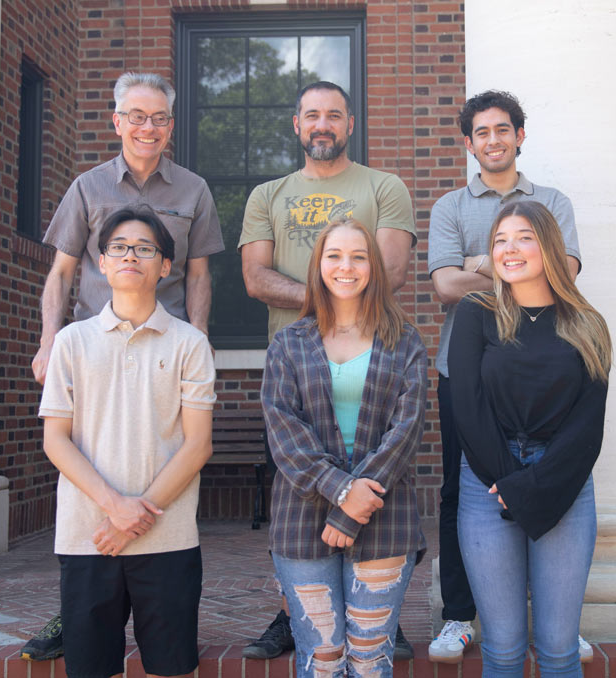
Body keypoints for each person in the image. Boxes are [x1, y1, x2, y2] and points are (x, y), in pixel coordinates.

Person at [22, 71, 224, 662]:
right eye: (135, 115)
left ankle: (137, 577)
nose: (147, 127)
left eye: (159, 117)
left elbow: (199, 277)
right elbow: (61, 273)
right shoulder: (87, 188)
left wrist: (201, 340)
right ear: (117, 121)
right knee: (95, 460)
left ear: (169, 126)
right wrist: (47, 340)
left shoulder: (193, 190)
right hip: (94, 346)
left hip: (168, 351)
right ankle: (79, 607)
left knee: (160, 455)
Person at [239, 81, 416, 660]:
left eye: (333, 116)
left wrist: (341, 302)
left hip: (373, 359)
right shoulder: (268, 194)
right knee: (299, 489)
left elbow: (388, 273)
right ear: (296, 125)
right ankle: (298, 614)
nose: (322, 124)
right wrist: (327, 304)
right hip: (298, 367)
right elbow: (255, 278)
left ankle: (375, 615)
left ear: (350, 123)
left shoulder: (383, 187)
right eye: (311, 115)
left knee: (372, 461)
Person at [426, 90, 589, 663]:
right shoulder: (450, 206)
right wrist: (517, 271)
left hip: (546, 373)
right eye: (481, 132)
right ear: (467, 143)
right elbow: (443, 286)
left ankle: (555, 614)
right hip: (466, 373)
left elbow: (564, 271)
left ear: (520, 135)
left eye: (503, 129)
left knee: (556, 478)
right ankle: (457, 615)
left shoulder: (552, 200)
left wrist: (480, 263)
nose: (493, 140)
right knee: (460, 493)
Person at [39, 206, 216, 678]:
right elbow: (55, 440)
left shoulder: (189, 344)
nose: (129, 256)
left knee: (171, 668)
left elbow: (198, 445)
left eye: (144, 248)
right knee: (92, 669)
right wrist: (115, 507)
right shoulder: (71, 342)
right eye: (118, 247)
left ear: (165, 266)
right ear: (101, 263)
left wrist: (134, 519)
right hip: (87, 536)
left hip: (169, 537)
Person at [448, 201, 611, 678]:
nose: (509, 249)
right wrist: (509, 480)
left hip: (563, 482)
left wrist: (536, 484)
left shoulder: (587, 323)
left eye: (523, 237)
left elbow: (588, 425)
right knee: (501, 648)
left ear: (549, 247)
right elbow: (468, 404)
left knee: (559, 650)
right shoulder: (477, 312)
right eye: (499, 240)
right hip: (486, 482)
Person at [261, 218, 426, 678]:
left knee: (371, 660)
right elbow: (283, 430)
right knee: (321, 659)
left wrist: (354, 506)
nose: (346, 266)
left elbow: (406, 429)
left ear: (373, 266)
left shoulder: (404, 340)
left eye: (359, 256)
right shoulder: (288, 344)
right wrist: (339, 491)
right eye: (334, 255)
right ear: (318, 266)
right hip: (301, 518)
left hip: (384, 515)